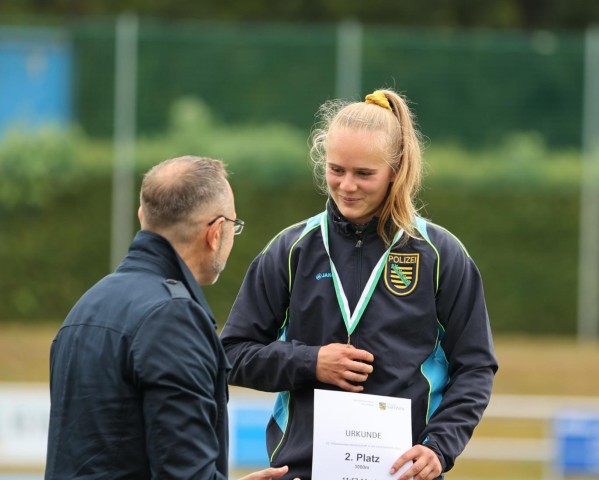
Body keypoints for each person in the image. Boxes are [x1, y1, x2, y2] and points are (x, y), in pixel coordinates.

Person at [220, 89, 499, 480]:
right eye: (336, 170)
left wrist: (440, 446)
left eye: (364, 174)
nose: (346, 186)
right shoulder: (291, 249)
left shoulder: (440, 255)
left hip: (401, 473)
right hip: (302, 470)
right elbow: (231, 353)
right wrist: (310, 362)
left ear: (395, 170)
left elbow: (476, 365)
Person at [45, 156, 297, 479]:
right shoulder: (173, 318)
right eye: (234, 225)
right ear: (216, 232)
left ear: (141, 216)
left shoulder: (88, 305)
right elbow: (184, 473)